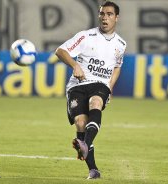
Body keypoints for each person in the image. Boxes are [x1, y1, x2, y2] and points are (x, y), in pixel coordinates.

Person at [55, 1, 126, 179]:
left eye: (109, 14)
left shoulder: (121, 44)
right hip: (77, 85)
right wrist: (74, 65)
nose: (105, 17)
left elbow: (117, 67)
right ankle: (93, 170)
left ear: (116, 18)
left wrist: (109, 88)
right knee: (80, 123)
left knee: (96, 102)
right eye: (102, 14)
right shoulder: (86, 36)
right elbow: (60, 51)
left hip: (100, 84)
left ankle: (84, 145)